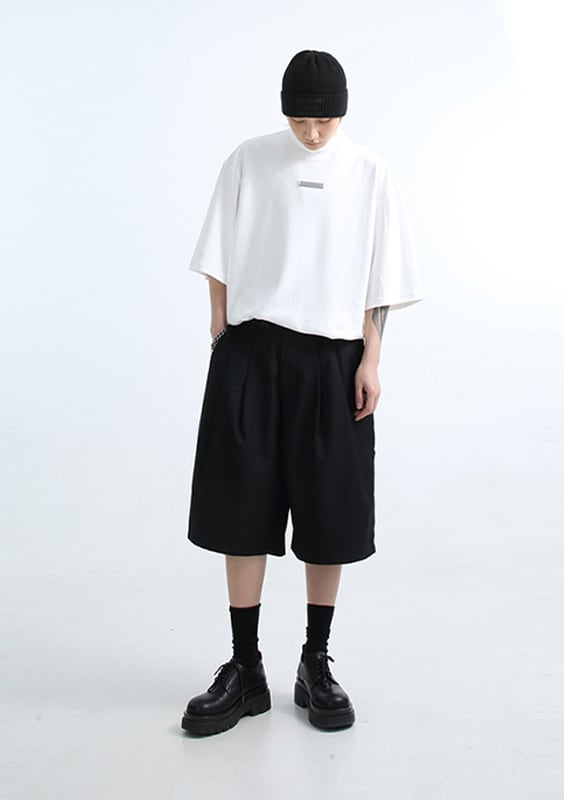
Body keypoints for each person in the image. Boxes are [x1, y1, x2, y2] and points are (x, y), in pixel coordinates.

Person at [181, 49, 423, 736]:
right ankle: (245, 667)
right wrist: (221, 330)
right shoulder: (249, 159)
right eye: (300, 120)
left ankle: (315, 661)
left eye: (324, 121)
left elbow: (382, 277)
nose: (312, 134)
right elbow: (218, 247)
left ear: (343, 113)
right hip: (253, 350)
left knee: (330, 513)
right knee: (239, 507)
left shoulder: (370, 172)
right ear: (283, 109)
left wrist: (372, 357)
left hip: (335, 358)